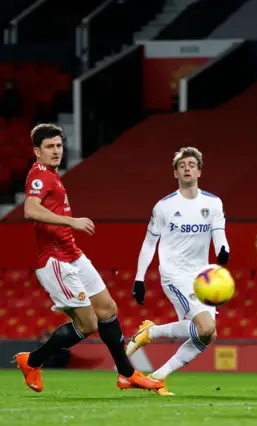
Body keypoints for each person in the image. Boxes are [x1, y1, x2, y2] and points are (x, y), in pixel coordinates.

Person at [14, 123, 163, 392]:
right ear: (37, 151)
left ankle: (126, 373)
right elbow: (30, 209)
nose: (56, 151)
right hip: (55, 260)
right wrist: (70, 221)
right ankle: (32, 361)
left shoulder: (54, 176)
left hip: (73, 254)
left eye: (59, 145)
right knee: (88, 323)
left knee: (108, 309)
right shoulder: (40, 175)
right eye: (49, 147)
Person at [126, 146, 230, 396]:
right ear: (175, 173)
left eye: (191, 164)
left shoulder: (213, 203)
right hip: (174, 273)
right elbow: (149, 243)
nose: (187, 168)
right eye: (182, 165)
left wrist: (224, 251)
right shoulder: (164, 206)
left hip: (202, 276)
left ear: (199, 171)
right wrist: (139, 278)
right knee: (204, 328)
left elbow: (220, 235)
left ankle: (157, 374)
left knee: (208, 335)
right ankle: (150, 333)